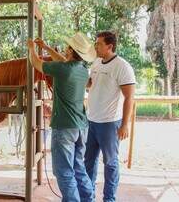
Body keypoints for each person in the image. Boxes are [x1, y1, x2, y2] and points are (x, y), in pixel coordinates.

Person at [27, 32, 96, 202]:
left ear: (71, 51)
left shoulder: (63, 69)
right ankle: (88, 199)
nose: (65, 50)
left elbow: (36, 62)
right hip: (81, 127)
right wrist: (45, 47)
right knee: (78, 168)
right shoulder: (82, 70)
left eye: (68, 48)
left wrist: (31, 48)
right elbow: (63, 61)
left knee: (64, 171)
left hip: (64, 127)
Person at [85, 31, 136, 202]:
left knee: (110, 164)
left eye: (99, 44)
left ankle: (109, 199)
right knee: (89, 162)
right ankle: (88, 197)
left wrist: (125, 125)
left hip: (110, 123)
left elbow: (129, 97)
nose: (95, 46)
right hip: (91, 121)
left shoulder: (122, 66)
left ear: (109, 46)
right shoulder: (96, 62)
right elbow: (90, 84)